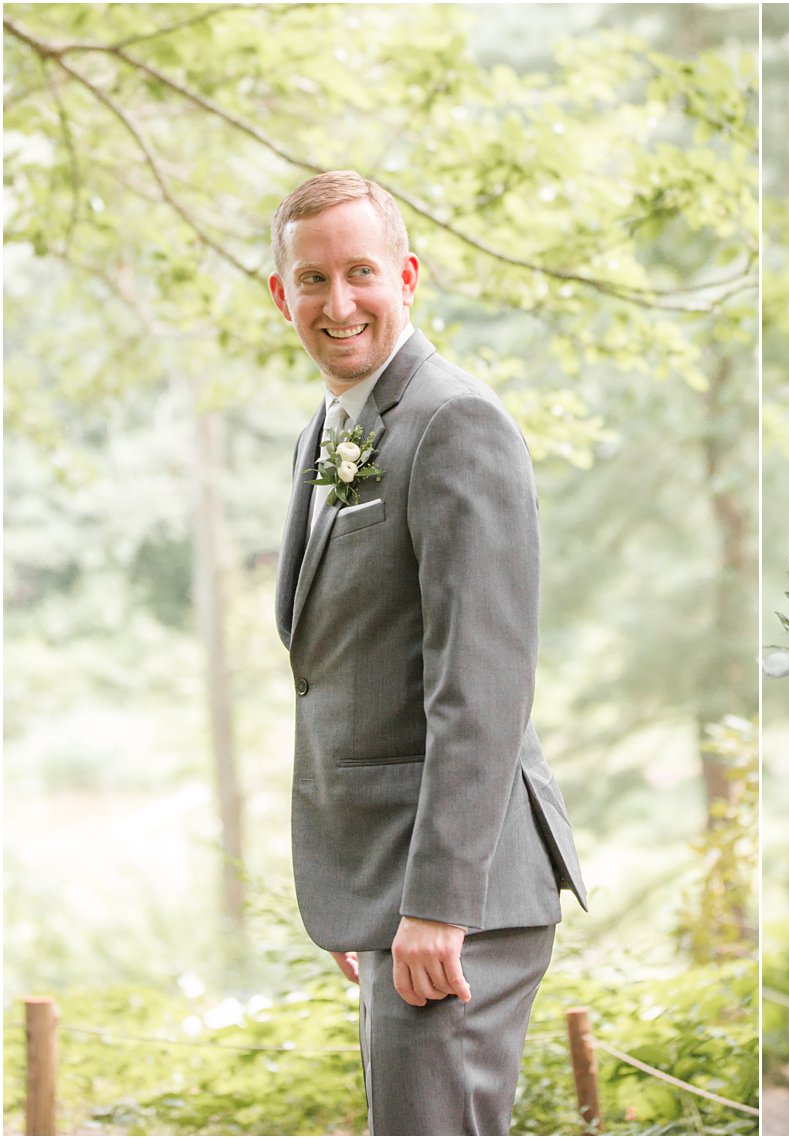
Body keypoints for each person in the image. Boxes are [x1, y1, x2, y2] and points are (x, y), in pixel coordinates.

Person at [269, 170, 588, 1135]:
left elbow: (479, 687)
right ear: (281, 295)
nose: (339, 303)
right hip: (390, 886)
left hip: (462, 897)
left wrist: (434, 906)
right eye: (312, 279)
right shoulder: (328, 432)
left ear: (406, 275)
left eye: (360, 271)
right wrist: (364, 894)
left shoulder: (457, 423)